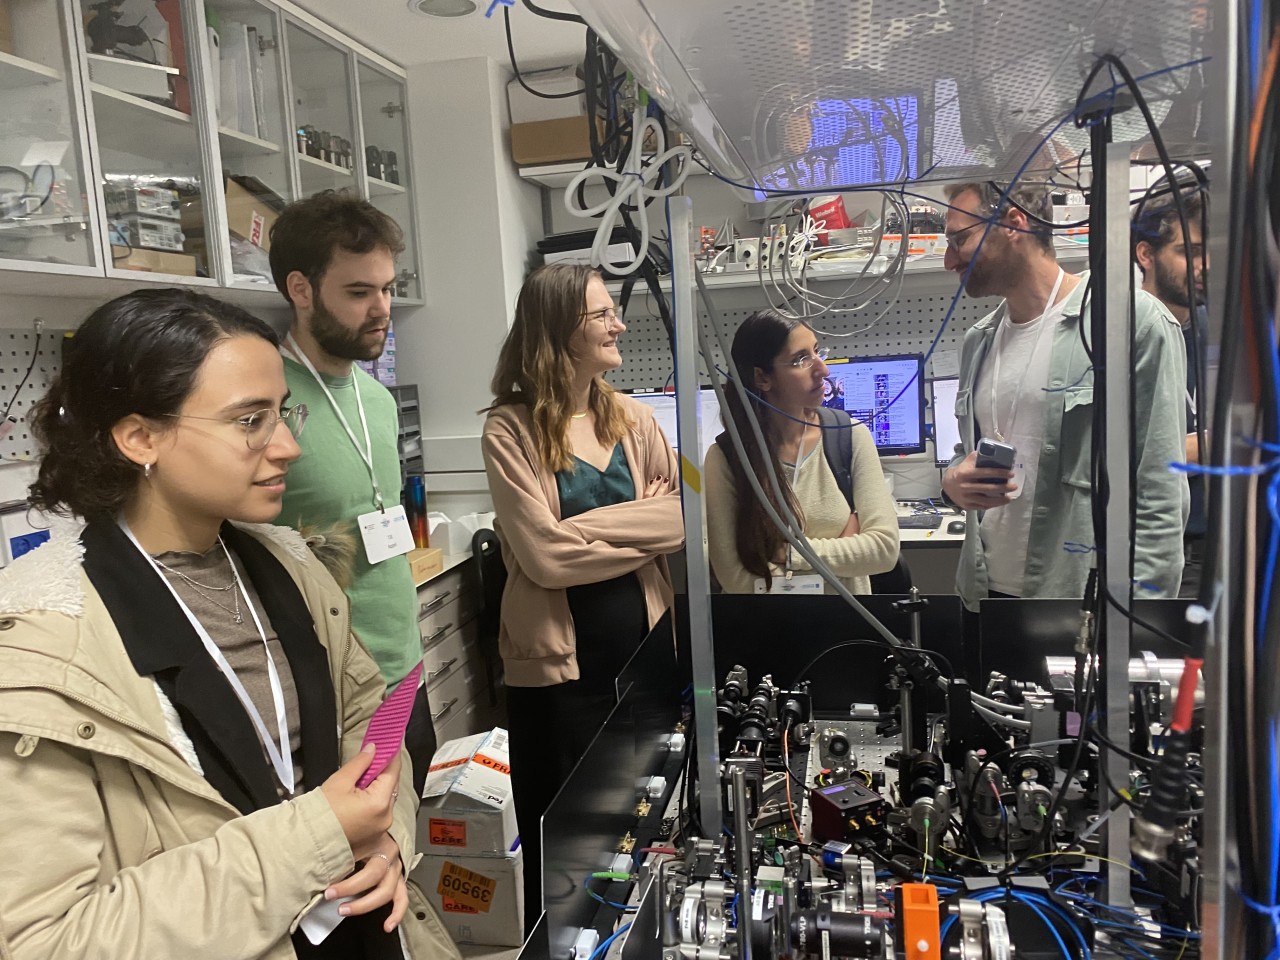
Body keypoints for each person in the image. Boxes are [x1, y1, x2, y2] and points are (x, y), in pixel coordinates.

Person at [0, 288, 458, 960]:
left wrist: (388, 835)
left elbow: (365, 714)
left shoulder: (287, 562)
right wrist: (319, 834)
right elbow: (49, 940)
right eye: (250, 422)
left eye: (282, 413)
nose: (289, 447)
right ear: (140, 438)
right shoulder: (48, 644)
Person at [481, 263, 684, 928]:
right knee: (565, 847)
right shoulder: (509, 430)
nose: (618, 324)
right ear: (560, 328)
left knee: (638, 827)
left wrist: (582, 528)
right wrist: (635, 532)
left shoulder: (635, 418)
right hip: (559, 682)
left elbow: (683, 520)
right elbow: (543, 557)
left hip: (641, 664)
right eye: (602, 314)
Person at [939, 181, 1189, 622]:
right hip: (984, 595)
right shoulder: (977, 343)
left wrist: (1141, 621)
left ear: (1013, 224)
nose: (948, 259)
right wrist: (953, 484)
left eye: (961, 239)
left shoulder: (1130, 322)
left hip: (1079, 602)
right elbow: (966, 457)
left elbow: (1161, 489)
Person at [267, 191, 435, 798]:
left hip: (403, 671)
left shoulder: (378, 400)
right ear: (301, 289)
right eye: (359, 293)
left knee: (410, 847)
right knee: (353, 874)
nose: (382, 309)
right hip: (327, 688)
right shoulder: (265, 399)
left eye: (387, 289)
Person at [705, 310, 899, 595]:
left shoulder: (849, 435)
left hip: (850, 628)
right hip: (773, 634)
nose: (823, 370)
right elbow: (735, 580)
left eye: (817, 352)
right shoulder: (727, 459)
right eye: (801, 359)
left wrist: (789, 555)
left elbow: (883, 550)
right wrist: (843, 556)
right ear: (762, 378)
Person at [1134, 178, 1209, 597]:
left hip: (1223, 543)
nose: (1206, 265)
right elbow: (1110, 458)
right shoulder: (1116, 337)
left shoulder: (1223, 335)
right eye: (1190, 252)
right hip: (1152, 548)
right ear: (1146, 253)